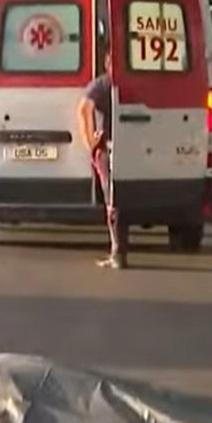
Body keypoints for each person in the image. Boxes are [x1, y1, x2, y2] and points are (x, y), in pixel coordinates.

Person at [77, 53, 127, 269]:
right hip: (132, 147)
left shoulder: (103, 84)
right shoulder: (132, 84)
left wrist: (90, 142)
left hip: (107, 148)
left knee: (111, 201)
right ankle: (119, 251)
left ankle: (117, 254)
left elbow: (83, 109)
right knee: (121, 200)